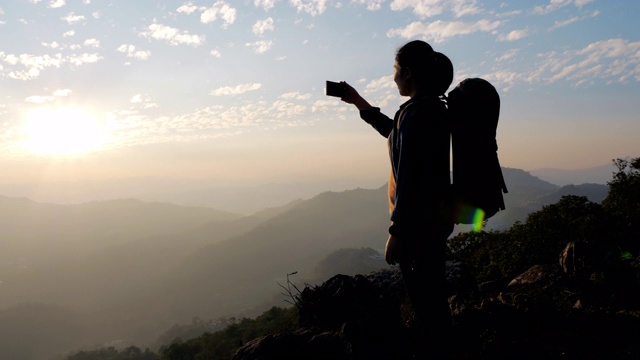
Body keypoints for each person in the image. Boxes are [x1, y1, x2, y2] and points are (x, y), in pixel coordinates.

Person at [340, 40, 454, 356]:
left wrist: (397, 232)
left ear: (408, 72)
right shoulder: (426, 110)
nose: (392, 78)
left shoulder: (417, 115)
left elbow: (409, 179)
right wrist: (358, 101)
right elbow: (392, 132)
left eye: (394, 70)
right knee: (432, 299)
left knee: (427, 305)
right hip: (431, 222)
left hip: (418, 228)